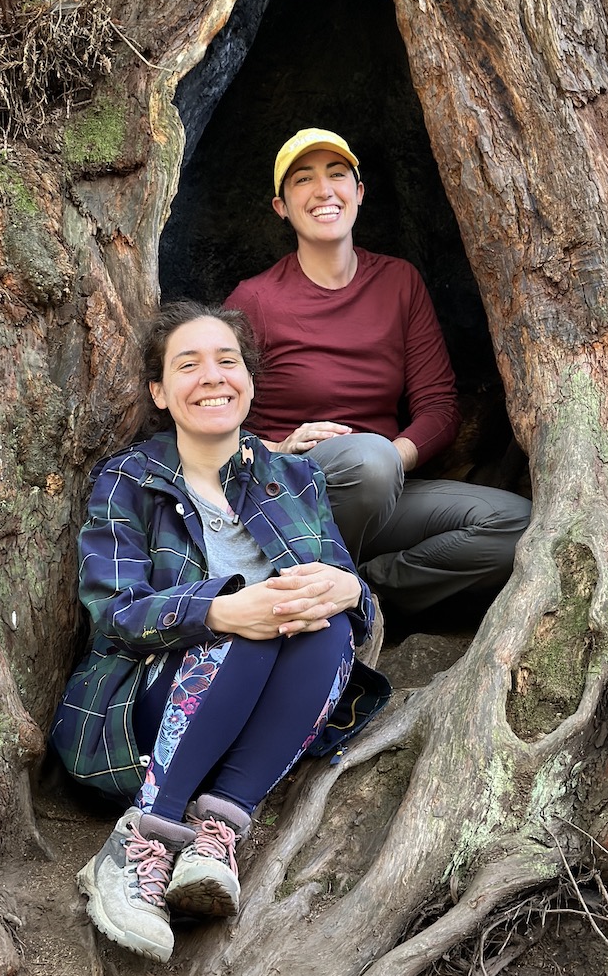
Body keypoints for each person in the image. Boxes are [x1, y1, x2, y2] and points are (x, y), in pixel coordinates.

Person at [50, 301, 386, 964]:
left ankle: (216, 829)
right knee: (256, 616)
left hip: (263, 721)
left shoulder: (293, 475)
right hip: (141, 719)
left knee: (321, 626)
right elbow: (115, 612)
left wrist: (354, 592)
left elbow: (342, 585)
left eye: (227, 361)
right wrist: (222, 612)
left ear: (251, 383)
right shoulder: (130, 480)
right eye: (189, 364)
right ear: (160, 391)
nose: (213, 377)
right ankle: (139, 842)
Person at [224, 128, 531, 616]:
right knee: (369, 462)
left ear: (359, 193)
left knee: (517, 526)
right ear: (281, 207)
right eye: (303, 180)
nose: (324, 190)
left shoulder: (398, 282)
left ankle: (365, 591)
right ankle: (304, 578)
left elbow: (438, 407)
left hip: (382, 484)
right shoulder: (255, 300)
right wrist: (278, 449)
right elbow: (211, 417)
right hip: (288, 496)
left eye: (337, 175)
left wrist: (394, 460)